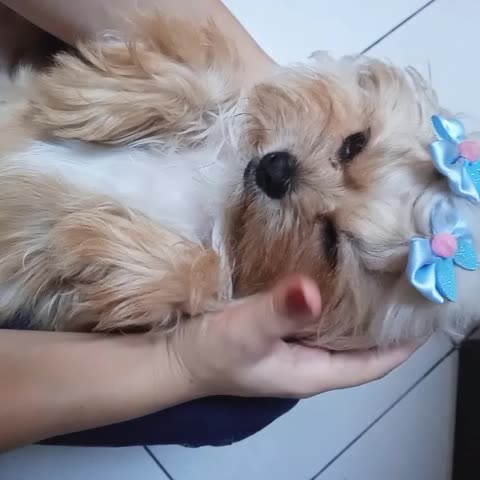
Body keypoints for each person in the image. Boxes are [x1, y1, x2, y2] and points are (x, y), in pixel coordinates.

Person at [0, 0, 421, 452]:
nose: (293, 174)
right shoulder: (204, 89)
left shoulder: (186, 280)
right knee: (242, 406)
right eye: (351, 147)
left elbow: (84, 261)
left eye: (331, 241)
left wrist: (184, 342)